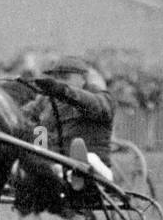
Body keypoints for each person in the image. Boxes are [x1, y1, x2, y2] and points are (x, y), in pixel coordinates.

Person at [24, 56, 115, 195]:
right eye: (55, 77)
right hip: (59, 167)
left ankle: (78, 175)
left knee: (88, 158)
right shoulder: (46, 101)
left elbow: (95, 104)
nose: (58, 81)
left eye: (64, 76)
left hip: (97, 174)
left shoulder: (101, 97)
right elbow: (25, 115)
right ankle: (55, 173)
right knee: (38, 133)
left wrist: (64, 90)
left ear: (83, 78)